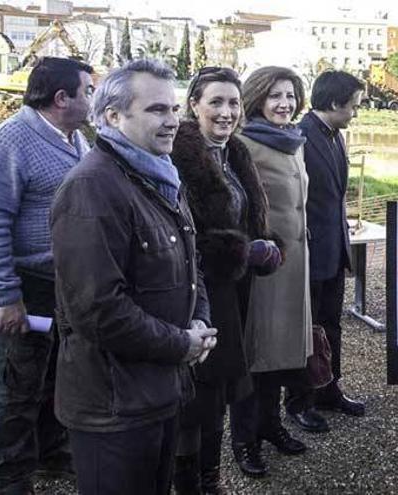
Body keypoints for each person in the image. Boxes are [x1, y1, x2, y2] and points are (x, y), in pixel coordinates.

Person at [49, 58, 217, 495]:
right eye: (157, 110)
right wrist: (181, 344)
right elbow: (98, 310)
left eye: (175, 109)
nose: (172, 121)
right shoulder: (92, 187)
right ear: (112, 116)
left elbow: (189, 262)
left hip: (157, 392)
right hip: (113, 407)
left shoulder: (160, 177)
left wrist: (198, 320)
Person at [0, 57, 93, 495]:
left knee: (57, 376)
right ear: (61, 98)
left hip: (62, 285)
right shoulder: (11, 141)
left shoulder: (76, 139)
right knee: (19, 385)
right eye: (88, 90)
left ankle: (50, 450)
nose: (94, 97)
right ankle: (9, 476)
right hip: (25, 283)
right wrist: (5, 295)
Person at [170, 66, 282, 490]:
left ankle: (210, 478)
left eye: (233, 102)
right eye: (215, 102)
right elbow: (178, 238)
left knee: (218, 394)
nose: (226, 112)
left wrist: (266, 246)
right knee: (197, 394)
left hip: (234, 290)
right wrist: (242, 251)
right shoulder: (177, 157)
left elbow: (248, 218)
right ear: (193, 105)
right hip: (195, 292)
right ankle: (190, 483)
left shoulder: (235, 152)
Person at [229, 65, 317, 475]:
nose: (285, 104)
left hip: (295, 265)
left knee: (281, 355)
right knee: (256, 352)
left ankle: (271, 425)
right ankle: (245, 441)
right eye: (275, 96)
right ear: (257, 98)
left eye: (290, 95)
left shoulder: (294, 141)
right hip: (265, 266)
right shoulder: (242, 143)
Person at [290, 70, 367, 428]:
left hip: (334, 250)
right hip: (308, 252)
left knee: (331, 326)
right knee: (306, 329)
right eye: (354, 106)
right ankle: (299, 402)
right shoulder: (300, 137)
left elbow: (333, 196)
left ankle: (329, 389)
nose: (356, 112)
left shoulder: (336, 137)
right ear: (335, 103)